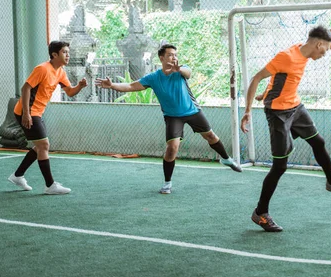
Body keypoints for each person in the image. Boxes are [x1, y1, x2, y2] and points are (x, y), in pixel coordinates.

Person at [241, 25, 331, 232]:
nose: (324, 55)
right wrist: (248, 111)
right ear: (318, 44)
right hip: (278, 113)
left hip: (296, 108)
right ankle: (260, 213)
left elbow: (281, 78)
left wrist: (267, 93)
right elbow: (257, 78)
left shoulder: (302, 51)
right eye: (325, 50)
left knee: (318, 142)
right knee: (280, 167)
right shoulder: (286, 56)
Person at [95, 43, 242, 194]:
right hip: (172, 117)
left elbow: (188, 73)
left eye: (175, 55)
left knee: (211, 136)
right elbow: (131, 86)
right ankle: (167, 183)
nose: (174, 57)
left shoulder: (181, 70)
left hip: (192, 111)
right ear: (162, 58)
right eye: (170, 55)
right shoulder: (153, 78)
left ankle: (225, 158)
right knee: (172, 148)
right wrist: (112, 85)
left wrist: (179, 69)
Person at [8, 41, 88, 194]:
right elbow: (25, 88)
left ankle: (18, 175)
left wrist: (80, 86)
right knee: (44, 145)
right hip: (27, 111)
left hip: (37, 112)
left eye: (68, 52)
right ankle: (50, 185)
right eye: (64, 52)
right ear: (54, 54)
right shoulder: (42, 69)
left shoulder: (61, 72)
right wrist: (26, 113)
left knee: (40, 146)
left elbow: (70, 92)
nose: (68, 55)